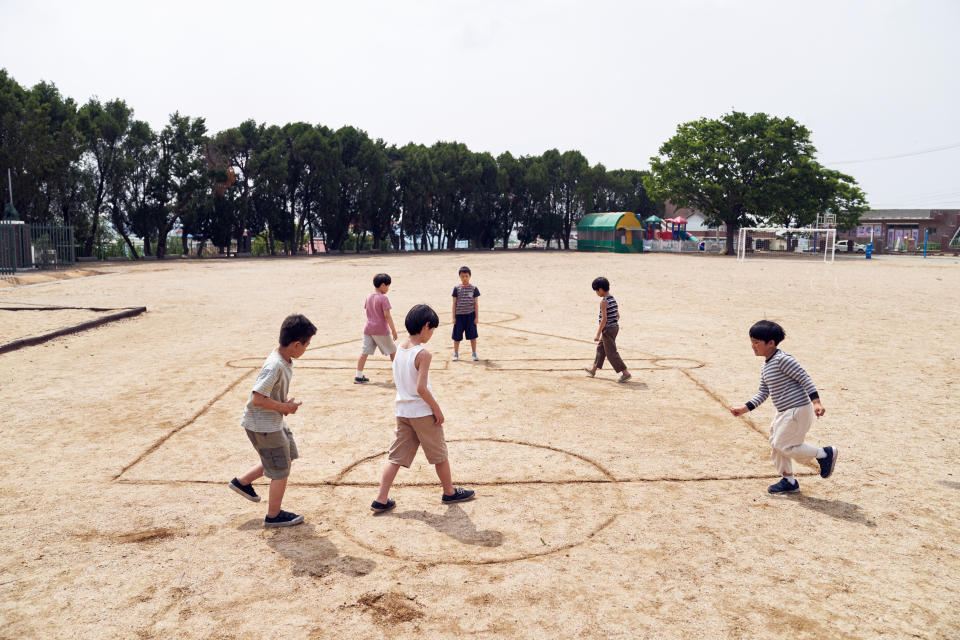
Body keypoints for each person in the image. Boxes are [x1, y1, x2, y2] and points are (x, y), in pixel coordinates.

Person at [371, 304, 475, 512]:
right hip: (422, 412)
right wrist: (436, 408)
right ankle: (449, 492)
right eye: (432, 329)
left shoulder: (399, 348)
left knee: (396, 456)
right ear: (426, 326)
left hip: (402, 412)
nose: (432, 334)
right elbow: (421, 388)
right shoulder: (423, 354)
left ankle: (381, 498)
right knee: (439, 454)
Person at [729, 320, 839, 494]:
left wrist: (816, 402)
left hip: (798, 409)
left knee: (784, 444)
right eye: (751, 342)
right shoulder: (766, 367)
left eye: (756, 342)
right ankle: (788, 481)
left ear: (771, 343)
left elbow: (805, 378)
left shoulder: (782, 360)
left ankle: (824, 454)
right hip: (784, 412)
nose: (753, 346)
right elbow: (763, 393)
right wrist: (745, 408)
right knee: (775, 443)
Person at [229, 314, 317, 527]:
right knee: (280, 469)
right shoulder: (275, 365)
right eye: (306, 345)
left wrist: (282, 404)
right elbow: (257, 398)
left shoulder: (285, 360)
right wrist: (283, 407)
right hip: (264, 426)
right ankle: (273, 515)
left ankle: (242, 482)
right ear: (296, 345)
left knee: (286, 456)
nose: (306, 348)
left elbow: (268, 395)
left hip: (272, 422)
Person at [584, 277, 631, 383]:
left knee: (611, 353)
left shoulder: (604, 302)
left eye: (596, 291)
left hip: (608, 329)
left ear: (600, 289)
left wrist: (598, 334)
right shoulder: (612, 298)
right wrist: (613, 324)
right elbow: (617, 315)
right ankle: (593, 369)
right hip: (614, 327)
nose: (596, 293)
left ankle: (625, 373)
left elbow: (604, 319)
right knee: (601, 349)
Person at [355, 273, 399, 384]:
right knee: (393, 351)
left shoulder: (369, 296)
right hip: (381, 329)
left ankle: (358, 375)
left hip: (368, 328)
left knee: (364, 352)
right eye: (388, 286)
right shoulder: (384, 298)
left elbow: (367, 310)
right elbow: (387, 315)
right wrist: (393, 330)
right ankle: (399, 375)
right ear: (383, 285)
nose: (388, 288)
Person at [451, 266, 480, 361]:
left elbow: (476, 303)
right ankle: (455, 353)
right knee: (457, 337)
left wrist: (476, 317)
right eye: (462, 276)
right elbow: (454, 303)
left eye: (466, 276)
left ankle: (474, 353)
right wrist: (453, 317)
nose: (464, 278)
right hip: (459, 316)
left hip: (470, 316)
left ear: (470, 276)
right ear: (459, 277)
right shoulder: (456, 288)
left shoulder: (474, 288)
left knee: (473, 336)